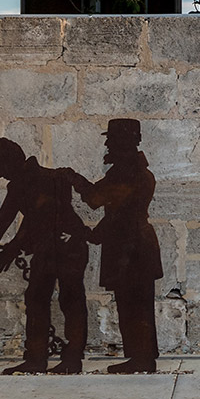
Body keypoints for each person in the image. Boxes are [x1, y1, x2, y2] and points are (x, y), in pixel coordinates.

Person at [0, 138, 89, 374]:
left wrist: (11, 248)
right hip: (50, 249)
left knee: (69, 299)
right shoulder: (24, 183)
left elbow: (39, 218)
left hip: (67, 246)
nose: (0, 174)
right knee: (38, 298)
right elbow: (3, 222)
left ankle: (68, 359)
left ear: (11, 161)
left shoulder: (44, 179)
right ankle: (39, 358)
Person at [66, 119, 162, 374]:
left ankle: (141, 358)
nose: (107, 144)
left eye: (112, 139)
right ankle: (142, 356)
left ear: (125, 143)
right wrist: (95, 234)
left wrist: (75, 179)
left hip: (131, 247)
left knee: (133, 303)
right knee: (133, 302)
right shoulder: (132, 171)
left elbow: (97, 199)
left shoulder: (126, 172)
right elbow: (117, 212)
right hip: (131, 243)